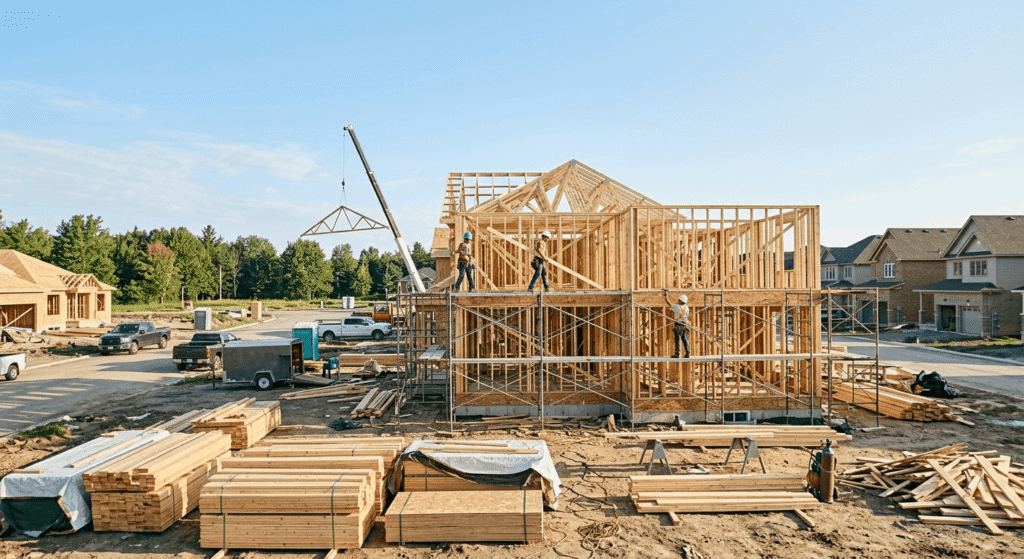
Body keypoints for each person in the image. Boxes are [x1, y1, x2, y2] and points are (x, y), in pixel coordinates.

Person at [663, 288, 690, 358]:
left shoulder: (676, 306)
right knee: (685, 339)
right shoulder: (687, 307)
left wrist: (666, 295)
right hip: (685, 324)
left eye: (679, 299)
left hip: (679, 324)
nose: (678, 300)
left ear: (680, 300)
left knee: (678, 339)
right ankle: (688, 353)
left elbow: (669, 303)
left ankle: (677, 354)